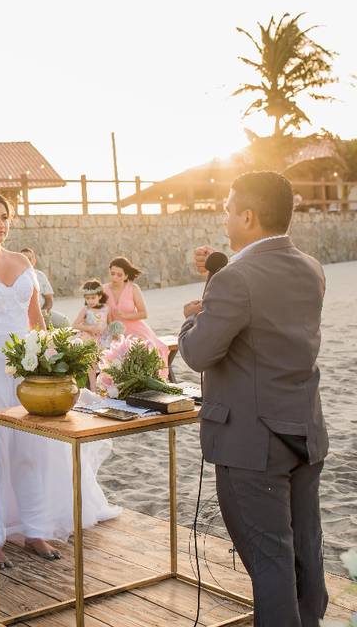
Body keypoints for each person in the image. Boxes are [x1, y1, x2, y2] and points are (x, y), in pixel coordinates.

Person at [180, 172, 328, 627]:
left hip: (252, 443)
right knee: (304, 549)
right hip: (304, 430)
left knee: (269, 562)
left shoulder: (234, 279)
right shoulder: (311, 266)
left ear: (248, 215)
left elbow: (197, 353)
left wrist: (195, 316)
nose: (223, 216)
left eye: (227, 208)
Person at [0, 193, 119, 568]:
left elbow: (36, 321)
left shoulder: (22, 261)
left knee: (32, 449)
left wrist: (50, 362)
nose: (1, 223)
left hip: (29, 366)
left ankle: (35, 529)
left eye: (5, 217)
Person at [103, 256, 169, 376]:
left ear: (126, 276)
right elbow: (100, 312)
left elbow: (144, 313)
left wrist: (125, 315)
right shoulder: (104, 289)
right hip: (113, 330)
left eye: (119, 275)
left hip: (135, 328)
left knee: (145, 348)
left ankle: (148, 378)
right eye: (112, 273)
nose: (115, 277)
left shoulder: (133, 288)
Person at [20, 247, 67, 327]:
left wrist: (44, 313)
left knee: (64, 321)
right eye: (24, 259)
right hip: (22, 314)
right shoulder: (14, 277)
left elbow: (49, 299)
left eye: (29, 259)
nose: (27, 262)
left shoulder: (40, 276)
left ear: (34, 261)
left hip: (41, 311)